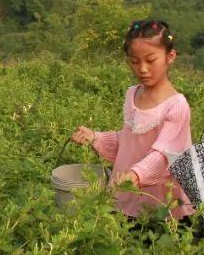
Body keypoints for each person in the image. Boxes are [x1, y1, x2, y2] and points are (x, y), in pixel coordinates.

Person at [72, 20, 194, 221]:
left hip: (162, 203)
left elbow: (164, 155)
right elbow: (129, 141)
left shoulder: (176, 105)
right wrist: (95, 138)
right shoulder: (132, 94)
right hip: (126, 193)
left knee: (153, 245)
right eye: (134, 61)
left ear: (170, 56)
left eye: (150, 60)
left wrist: (137, 175)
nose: (143, 69)